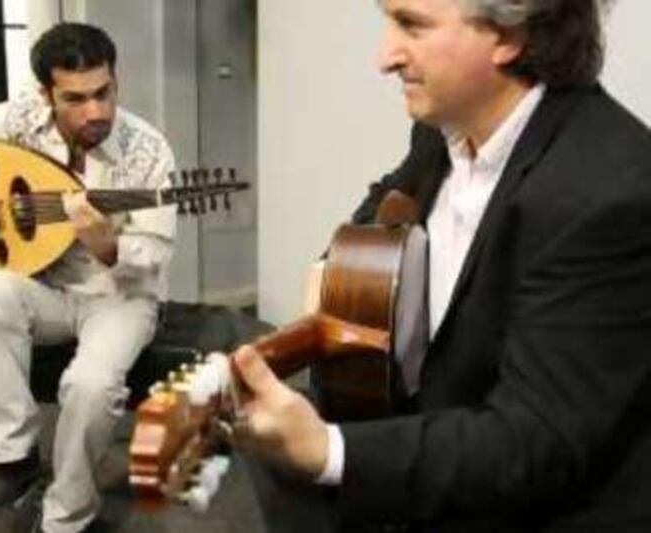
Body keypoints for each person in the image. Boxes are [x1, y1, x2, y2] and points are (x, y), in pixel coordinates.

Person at [232, 0, 651, 531]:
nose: (385, 57)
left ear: (508, 36)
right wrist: (335, 273)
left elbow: (536, 441)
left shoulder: (607, 191)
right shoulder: (442, 130)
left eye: (412, 24)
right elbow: (389, 197)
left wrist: (329, 450)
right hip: (445, 457)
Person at [0, 23, 176, 533]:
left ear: (116, 81)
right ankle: (12, 459)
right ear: (46, 95)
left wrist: (105, 242)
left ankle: (68, 513)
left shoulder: (148, 150)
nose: (95, 112)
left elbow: (152, 257)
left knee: (90, 386)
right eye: (75, 99)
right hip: (42, 283)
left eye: (104, 93)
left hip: (119, 294)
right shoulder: (17, 119)